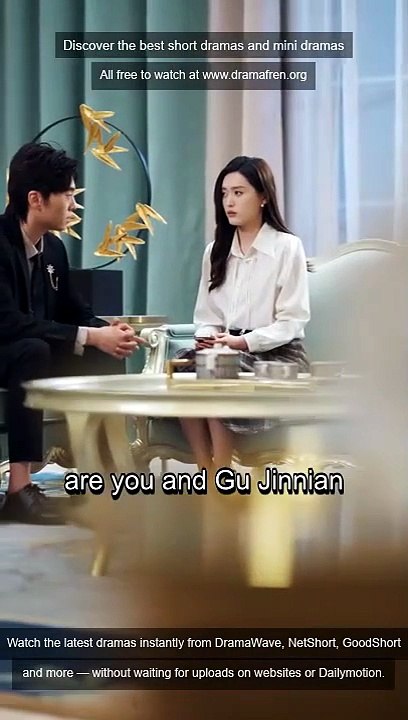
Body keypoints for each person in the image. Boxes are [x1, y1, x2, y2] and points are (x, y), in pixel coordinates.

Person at [0, 142, 144, 523]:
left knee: (101, 352)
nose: (75, 205)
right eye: (68, 195)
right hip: (9, 350)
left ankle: (105, 479)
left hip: (33, 352)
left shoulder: (54, 249)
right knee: (32, 349)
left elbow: (72, 309)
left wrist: (108, 331)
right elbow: (7, 322)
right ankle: (19, 489)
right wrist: (89, 335)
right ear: (36, 199)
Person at [178, 155, 310, 476]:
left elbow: (292, 321)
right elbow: (206, 315)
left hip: (277, 354)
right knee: (185, 368)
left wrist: (242, 343)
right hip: (226, 348)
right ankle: (206, 470)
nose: (229, 202)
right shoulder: (215, 251)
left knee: (217, 371)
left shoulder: (287, 247)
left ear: (263, 196)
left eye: (239, 193)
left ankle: (221, 473)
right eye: (224, 194)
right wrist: (210, 339)